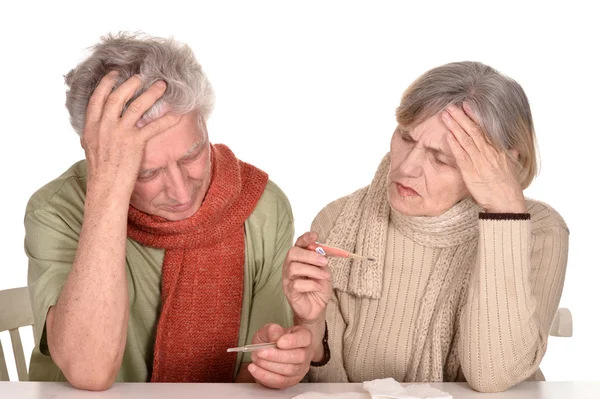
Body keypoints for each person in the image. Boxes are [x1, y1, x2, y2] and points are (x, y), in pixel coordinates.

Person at [24, 32, 312, 390]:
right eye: (146, 172)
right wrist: (108, 189)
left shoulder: (263, 207)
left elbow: (255, 368)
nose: (180, 191)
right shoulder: (55, 211)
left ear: (205, 124)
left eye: (191, 154)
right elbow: (90, 371)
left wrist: (279, 365)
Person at [282, 61, 569, 393]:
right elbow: (329, 389)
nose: (407, 167)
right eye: (406, 138)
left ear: (501, 164)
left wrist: (505, 212)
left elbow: (493, 376)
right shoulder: (339, 219)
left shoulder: (540, 231)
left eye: (441, 158)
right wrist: (311, 327)